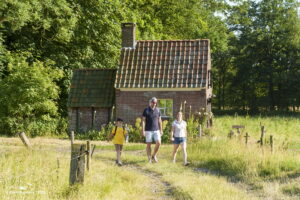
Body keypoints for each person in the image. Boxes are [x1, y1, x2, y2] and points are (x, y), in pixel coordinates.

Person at [141, 97, 163, 163]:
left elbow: (160, 120)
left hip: (156, 130)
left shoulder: (158, 110)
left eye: (156, 102)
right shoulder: (146, 110)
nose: (154, 104)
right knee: (148, 144)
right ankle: (149, 158)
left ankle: (153, 155)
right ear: (150, 102)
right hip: (148, 130)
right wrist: (143, 130)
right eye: (153, 102)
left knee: (159, 143)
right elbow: (143, 121)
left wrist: (161, 130)